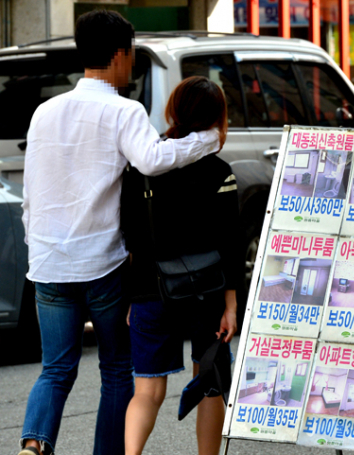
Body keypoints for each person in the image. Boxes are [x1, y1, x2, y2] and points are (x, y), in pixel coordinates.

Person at [18, 11, 221, 455]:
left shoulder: (43, 113)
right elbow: (152, 159)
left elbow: (32, 193)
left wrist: (38, 247)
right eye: (131, 55)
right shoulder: (122, 110)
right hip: (102, 265)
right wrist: (206, 140)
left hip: (49, 265)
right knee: (114, 370)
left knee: (54, 369)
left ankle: (33, 445)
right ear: (120, 54)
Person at [121, 76, 242, 455]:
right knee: (209, 384)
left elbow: (129, 234)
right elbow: (231, 243)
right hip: (205, 293)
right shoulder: (219, 171)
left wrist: (130, 296)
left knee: (147, 390)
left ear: (174, 110)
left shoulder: (144, 165)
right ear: (217, 117)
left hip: (149, 289)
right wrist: (232, 303)